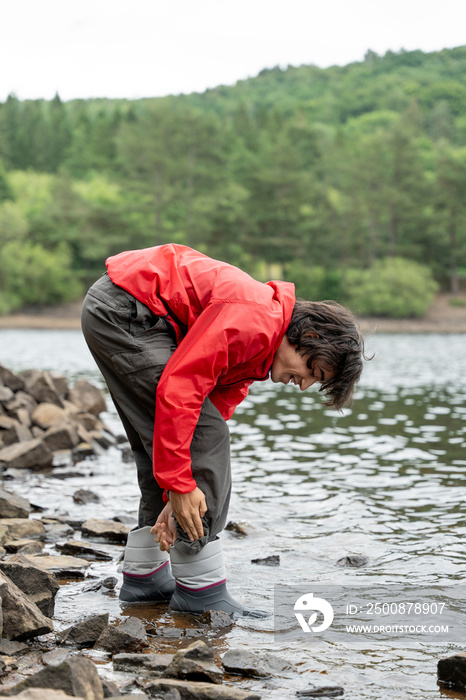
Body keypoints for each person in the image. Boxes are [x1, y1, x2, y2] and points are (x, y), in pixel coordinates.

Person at [81, 243, 365, 618]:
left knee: (171, 444)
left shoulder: (257, 349)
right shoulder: (255, 322)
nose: (305, 385)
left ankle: (144, 576)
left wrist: (174, 493)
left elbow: (208, 411)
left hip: (121, 309)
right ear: (309, 337)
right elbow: (184, 396)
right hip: (128, 312)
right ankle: (201, 590)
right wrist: (183, 486)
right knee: (205, 438)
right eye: (315, 373)